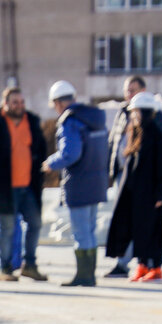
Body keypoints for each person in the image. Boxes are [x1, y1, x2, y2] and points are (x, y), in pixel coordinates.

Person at [0, 87, 48, 282]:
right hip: (3, 184)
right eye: (15, 102)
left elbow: (40, 148)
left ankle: (29, 265)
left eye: (22, 102)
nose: (19, 106)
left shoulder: (31, 121)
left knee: (35, 222)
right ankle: (5, 268)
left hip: (28, 185)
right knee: (7, 227)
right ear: (5, 103)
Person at [43, 81, 109, 288]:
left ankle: (84, 276)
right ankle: (89, 274)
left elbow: (71, 154)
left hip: (79, 183)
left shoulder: (70, 122)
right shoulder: (94, 118)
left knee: (81, 233)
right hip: (97, 182)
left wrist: (50, 163)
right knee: (89, 230)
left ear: (58, 103)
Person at [105, 76, 162, 277]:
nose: (132, 115)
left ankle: (155, 266)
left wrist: (159, 193)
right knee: (138, 227)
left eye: (135, 112)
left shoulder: (157, 134)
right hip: (135, 191)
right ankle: (142, 264)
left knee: (153, 229)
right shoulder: (135, 132)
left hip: (151, 193)